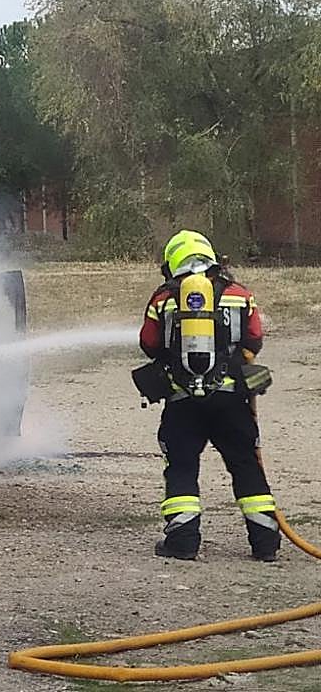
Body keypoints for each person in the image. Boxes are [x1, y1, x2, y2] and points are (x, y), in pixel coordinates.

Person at [139, 230, 280, 561]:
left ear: (173, 261)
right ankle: (265, 544)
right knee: (246, 465)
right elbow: (255, 340)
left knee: (182, 467)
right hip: (232, 401)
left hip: (182, 402)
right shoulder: (240, 294)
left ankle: (183, 542)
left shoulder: (163, 299)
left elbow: (149, 343)